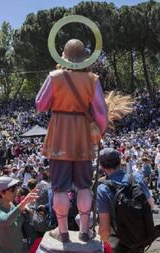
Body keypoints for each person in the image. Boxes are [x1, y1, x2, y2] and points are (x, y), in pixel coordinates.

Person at [35, 39, 108, 242]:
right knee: (84, 185)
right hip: (83, 135)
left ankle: (63, 231)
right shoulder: (93, 79)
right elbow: (102, 112)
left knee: (59, 186)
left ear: (63, 56)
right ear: (85, 57)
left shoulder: (55, 77)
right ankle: (84, 231)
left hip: (59, 133)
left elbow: (40, 104)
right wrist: (98, 132)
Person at [97, 148, 155, 253]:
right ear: (120, 161)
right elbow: (151, 204)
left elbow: (105, 229)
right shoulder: (136, 178)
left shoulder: (103, 189)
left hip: (119, 243)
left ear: (102, 166)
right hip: (140, 239)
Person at [0, 176, 38, 253]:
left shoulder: (12, 204)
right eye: (13, 190)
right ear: (2, 193)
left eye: (16, 188)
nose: (16, 191)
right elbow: (5, 220)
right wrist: (23, 203)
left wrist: (27, 211)